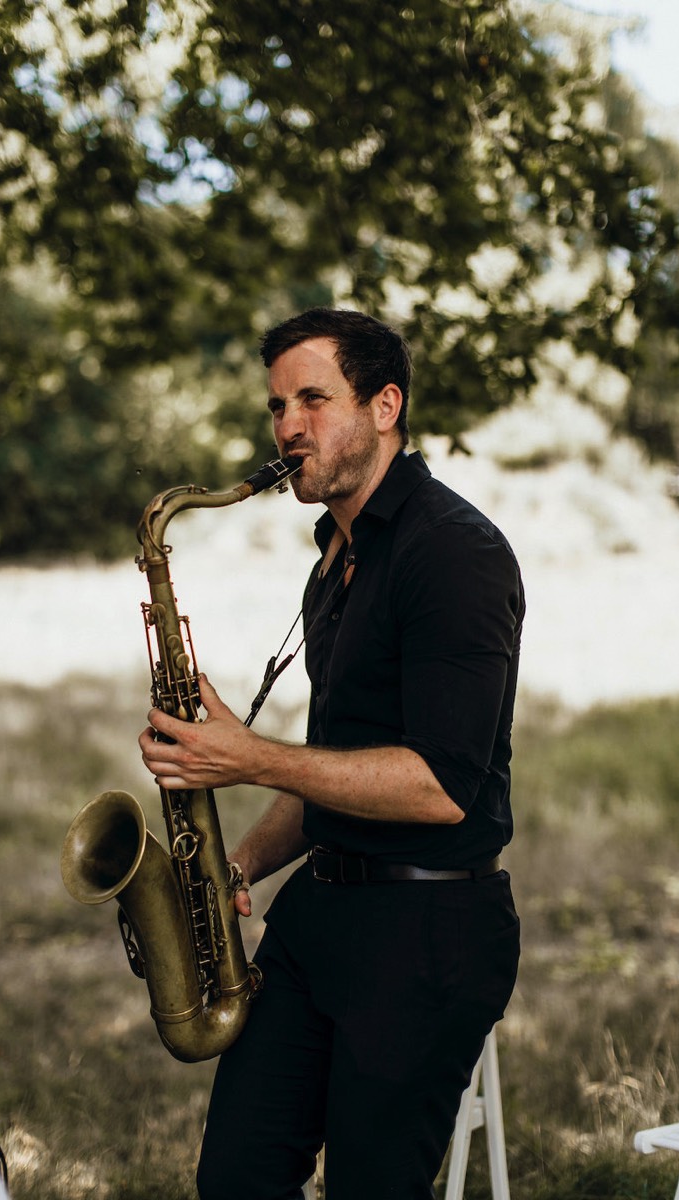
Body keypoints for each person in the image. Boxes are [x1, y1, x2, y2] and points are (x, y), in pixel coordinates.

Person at [139, 307, 525, 1200]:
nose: (287, 426)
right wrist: (238, 862)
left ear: (385, 405)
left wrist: (247, 758)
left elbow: (438, 787)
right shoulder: (334, 560)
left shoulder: (454, 554)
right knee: (236, 1178)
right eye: (278, 406)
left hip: (427, 937)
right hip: (321, 923)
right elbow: (337, 766)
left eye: (313, 398)